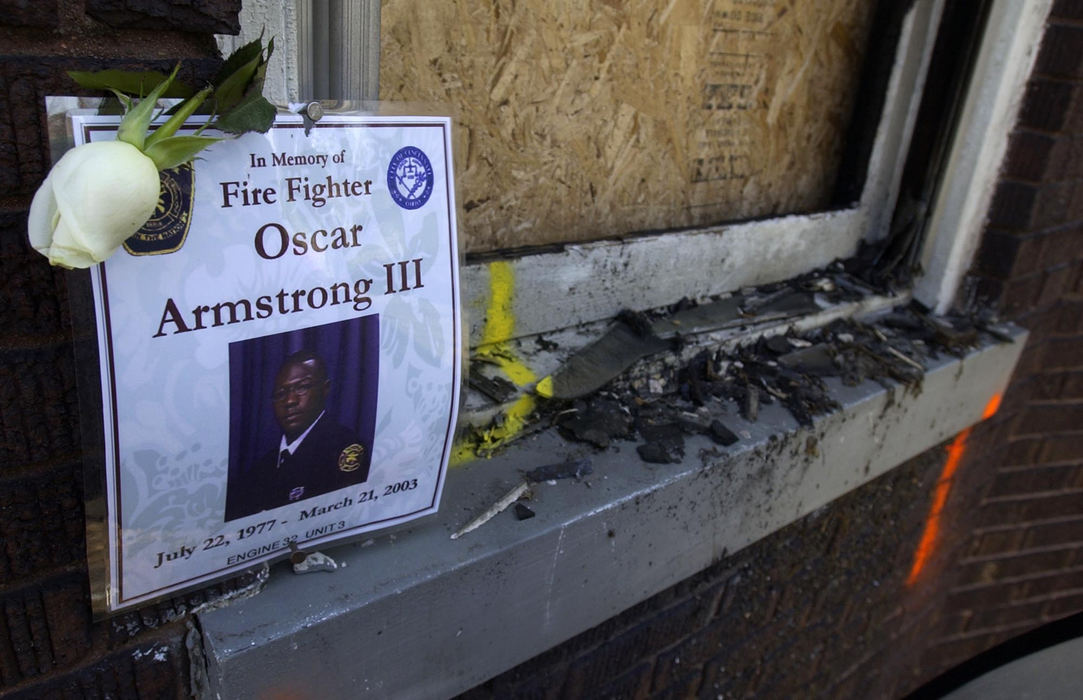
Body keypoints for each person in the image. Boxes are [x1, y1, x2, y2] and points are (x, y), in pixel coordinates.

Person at [224, 349, 370, 521]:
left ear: (325, 389)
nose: (289, 401)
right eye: (280, 394)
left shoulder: (344, 449)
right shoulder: (260, 469)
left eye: (301, 387)